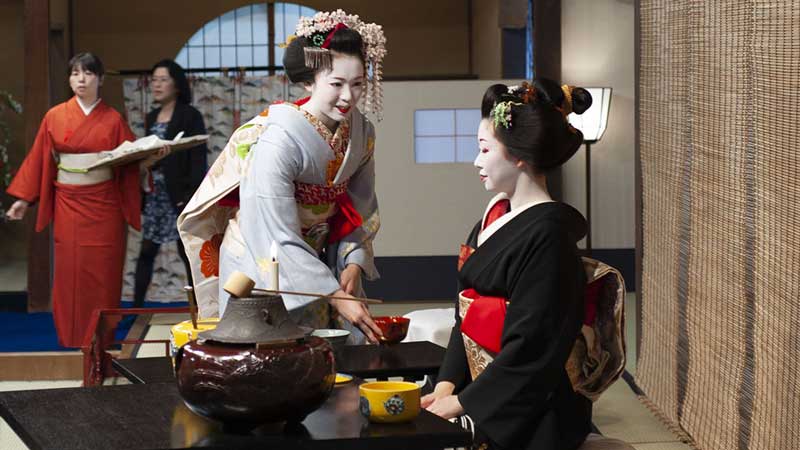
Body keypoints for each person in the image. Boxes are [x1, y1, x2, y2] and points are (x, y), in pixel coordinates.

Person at [177, 9, 387, 343]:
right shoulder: (279, 138)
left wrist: (353, 263)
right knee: (264, 350)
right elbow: (273, 229)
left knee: (323, 351)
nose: (348, 96)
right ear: (309, 80)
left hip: (316, 256)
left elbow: (361, 208)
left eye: (358, 84)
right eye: (336, 83)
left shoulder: (363, 134)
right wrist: (334, 293)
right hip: (259, 253)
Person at [421, 79, 594, 450]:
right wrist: (446, 385)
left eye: (484, 149)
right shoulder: (495, 215)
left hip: (530, 409)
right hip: (480, 389)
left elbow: (533, 348)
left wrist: (462, 403)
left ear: (517, 155)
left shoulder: (549, 235)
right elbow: (463, 315)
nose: (476, 161)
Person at [5, 52, 167, 347]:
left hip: (105, 206)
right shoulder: (54, 116)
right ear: (69, 80)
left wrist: (150, 161)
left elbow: (128, 165)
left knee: (103, 273)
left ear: (101, 79)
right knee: (70, 273)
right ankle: (70, 336)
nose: (81, 79)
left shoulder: (113, 119)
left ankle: (101, 338)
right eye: (75, 73)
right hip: (69, 204)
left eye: (88, 73)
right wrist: (24, 200)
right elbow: (40, 162)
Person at [133, 59, 208, 308]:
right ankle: (135, 309)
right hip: (155, 194)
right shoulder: (151, 116)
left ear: (176, 84)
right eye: (154, 80)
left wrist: (189, 197)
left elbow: (198, 159)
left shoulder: (190, 115)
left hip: (180, 196)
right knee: (146, 253)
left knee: (186, 253)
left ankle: (199, 308)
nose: (157, 84)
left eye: (163, 79)